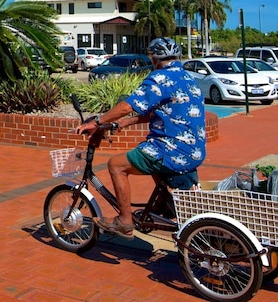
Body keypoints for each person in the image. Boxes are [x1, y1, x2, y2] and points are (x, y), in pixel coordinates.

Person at [74, 37, 206, 239]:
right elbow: (160, 110)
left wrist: (97, 123)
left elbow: (127, 106)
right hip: (194, 151)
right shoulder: (187, 78)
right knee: (148, 151)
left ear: (153, 58)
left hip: (171, 151)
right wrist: (124, 123)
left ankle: (125, 221)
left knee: (116, 165)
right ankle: (163, 205)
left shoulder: (159, 78)